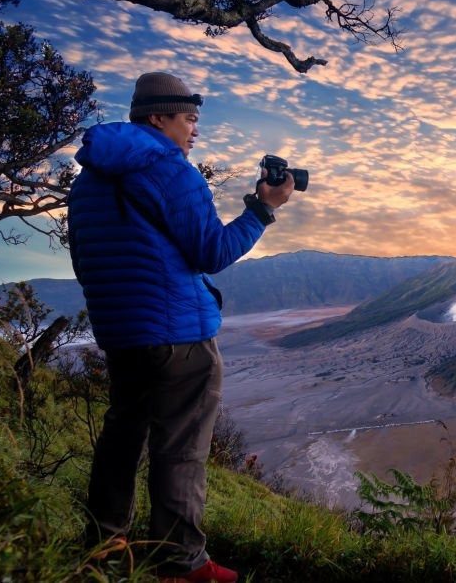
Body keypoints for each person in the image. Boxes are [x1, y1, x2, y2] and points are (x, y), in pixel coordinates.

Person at [68, 72, 295, 583]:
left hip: (121, 330)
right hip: (178, 333)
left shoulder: (87, 181)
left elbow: (84, 255)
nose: (195, 130)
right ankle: (180, 562)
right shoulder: (171, 170)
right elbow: (212, 251)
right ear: (158, 117)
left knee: (122, 437)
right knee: (182, 449)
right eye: (189, 118)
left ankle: (103, 549)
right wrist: (263, 209)